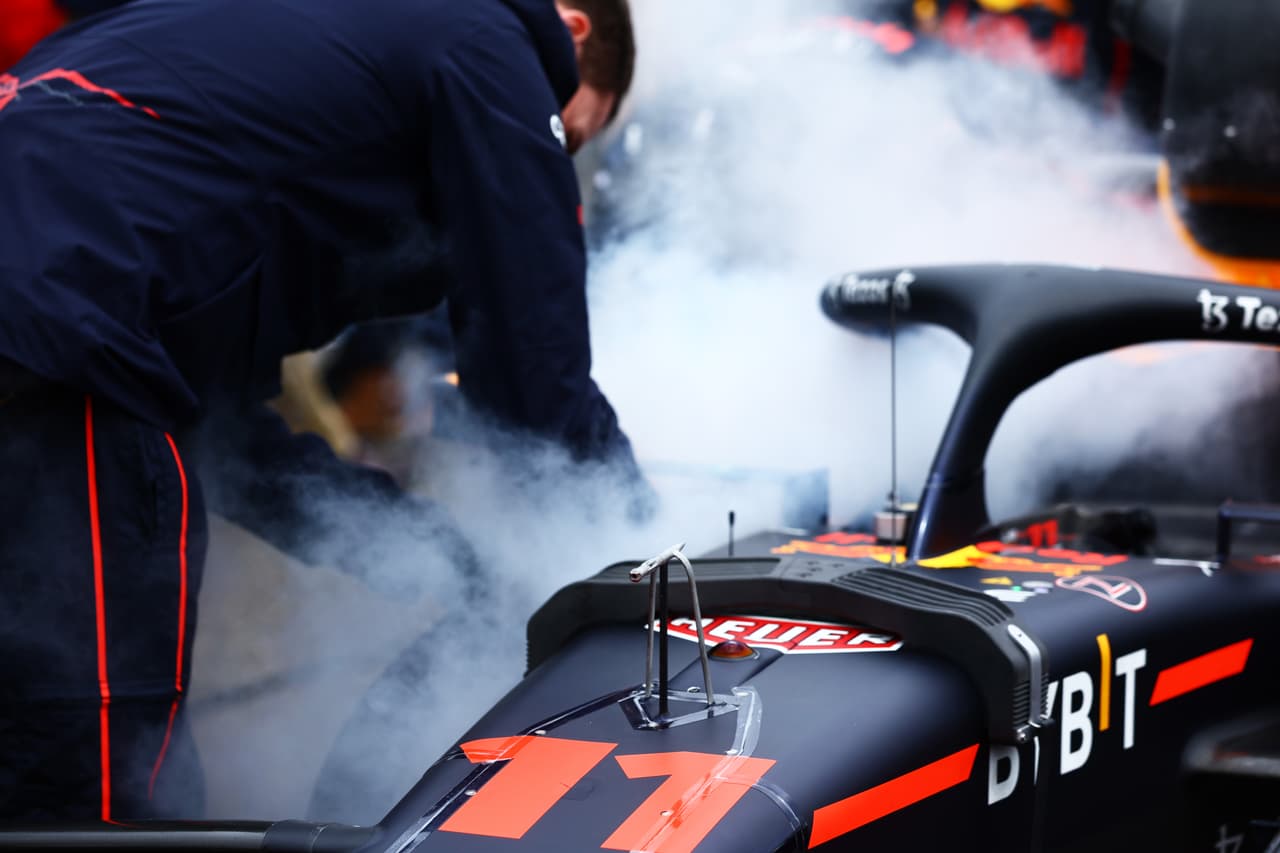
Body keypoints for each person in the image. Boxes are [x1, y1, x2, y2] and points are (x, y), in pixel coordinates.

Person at [0, 0, 637, 822]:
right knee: (90, 769)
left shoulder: (300, 40)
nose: (556, 151)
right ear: (572, 29)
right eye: (569, 136)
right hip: (58, 311)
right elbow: (533, 359)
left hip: (55, 307)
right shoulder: (489, 35)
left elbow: (219, 430)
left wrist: (419, 543)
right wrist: (634, 547)